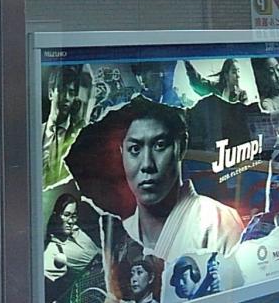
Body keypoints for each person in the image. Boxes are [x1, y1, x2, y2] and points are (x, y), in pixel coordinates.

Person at [117, 100, 243, 262]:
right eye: (135, 149)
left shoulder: (218, 223)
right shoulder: (124, 232)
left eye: (159, 145)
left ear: (181, 146)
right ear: (122, 153)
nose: (147, 164)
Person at [43, 66, 93, 186]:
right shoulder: (33, 134)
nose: (66, 98)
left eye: (71, 93)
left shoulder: (79, 135)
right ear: (51, 92)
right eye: (61, 90)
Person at [43, 193, 100, 290]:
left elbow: (97, 251)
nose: (70, 221)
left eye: (74, 216)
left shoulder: (76, 230)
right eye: (66, 215)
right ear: (56, 216)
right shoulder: (52, 251)